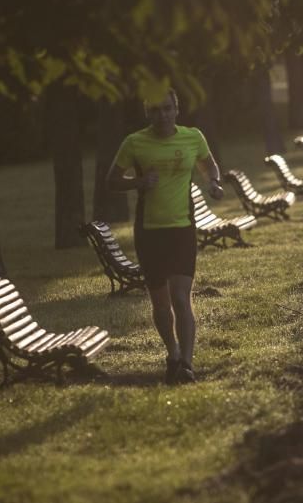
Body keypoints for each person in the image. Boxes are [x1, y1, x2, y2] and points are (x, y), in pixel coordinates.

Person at [106, 88, 224, 385]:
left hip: (182, 228)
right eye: (156, 110)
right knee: (161, 305)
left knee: (181, 298)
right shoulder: (135, 142)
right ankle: (171, 353)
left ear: (176, 109)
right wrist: (140, 182)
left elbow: (208, 163)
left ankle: (187, 362)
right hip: (149, 232)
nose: (162, 115)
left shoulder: (192, 137)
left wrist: (213, 182)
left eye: (168, 108)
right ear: (147, 113)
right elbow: (112, 180)